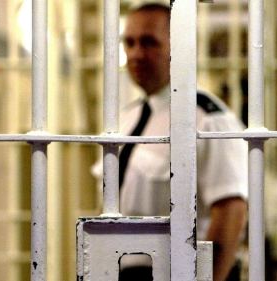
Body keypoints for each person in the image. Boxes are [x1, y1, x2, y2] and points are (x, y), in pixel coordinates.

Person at [94, 3, 248, 281]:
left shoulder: (207, 119)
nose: (136, 54)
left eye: (149, 42)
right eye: (129, 43)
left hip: (178, 271)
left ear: (179, 48)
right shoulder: (126, 119)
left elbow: (230, 211)